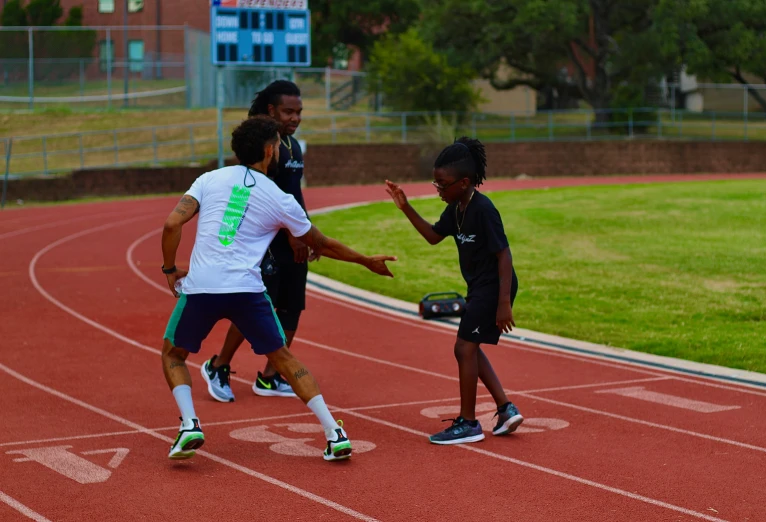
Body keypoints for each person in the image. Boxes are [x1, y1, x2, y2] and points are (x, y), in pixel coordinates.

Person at [160, 115, 396, 461]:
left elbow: (171, 223)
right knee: (283, 359)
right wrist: (365, 261)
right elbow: (321, 243)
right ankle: (334, 433)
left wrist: (169, 269)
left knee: (172, 354)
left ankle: (190, 424)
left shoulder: (208, 180)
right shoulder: (282, 198)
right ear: (270, 150)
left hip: (202, 287)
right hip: (247, 290)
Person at [384, 137, 524, 445]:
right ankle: (504, 407)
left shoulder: (483, 210)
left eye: (442, 184)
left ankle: (469, 422)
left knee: (463, 348)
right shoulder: (456, 208)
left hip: (494, 286)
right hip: (479, 287)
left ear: (463, 182)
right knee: (471, 347)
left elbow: (504, 254)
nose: (438, 190)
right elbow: (433, 236)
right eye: (435, 184)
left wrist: (503, 304)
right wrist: (405, 207)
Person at [200, 80, 309, 403]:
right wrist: (292, 235)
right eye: (289, 111)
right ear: (271, 110)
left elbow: (295, 197)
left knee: (292, 310)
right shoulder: (261, 151)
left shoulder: (294, 147)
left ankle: (271, 377)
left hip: (294, 243)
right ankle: (219, 365)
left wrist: (306, 233)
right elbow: (265, 200)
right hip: (266, 245)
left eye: (299, 112)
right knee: (254, 309)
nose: (295, 118)